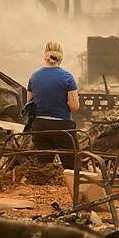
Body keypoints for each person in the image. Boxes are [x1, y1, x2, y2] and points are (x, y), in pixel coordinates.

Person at [27, 41, 80, 169]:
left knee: (43, 167)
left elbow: (29, 104)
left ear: (45, 55)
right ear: (61, 56)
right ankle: (72, 179)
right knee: (72, 165)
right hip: (61, 127)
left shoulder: (34, 76)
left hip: (39, 126)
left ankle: (42, 179)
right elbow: (74, 106)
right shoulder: (67, 77)